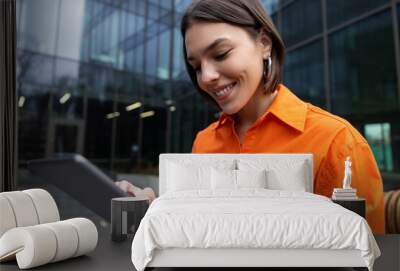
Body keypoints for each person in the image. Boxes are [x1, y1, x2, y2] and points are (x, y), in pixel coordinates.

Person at [117, 0, 384, 234]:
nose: (206, 77)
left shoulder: (337, 142)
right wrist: (158, 211)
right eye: (196, 66)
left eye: (221, 54)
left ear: (264, 44)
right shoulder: (204, 142)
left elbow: (366, 257)